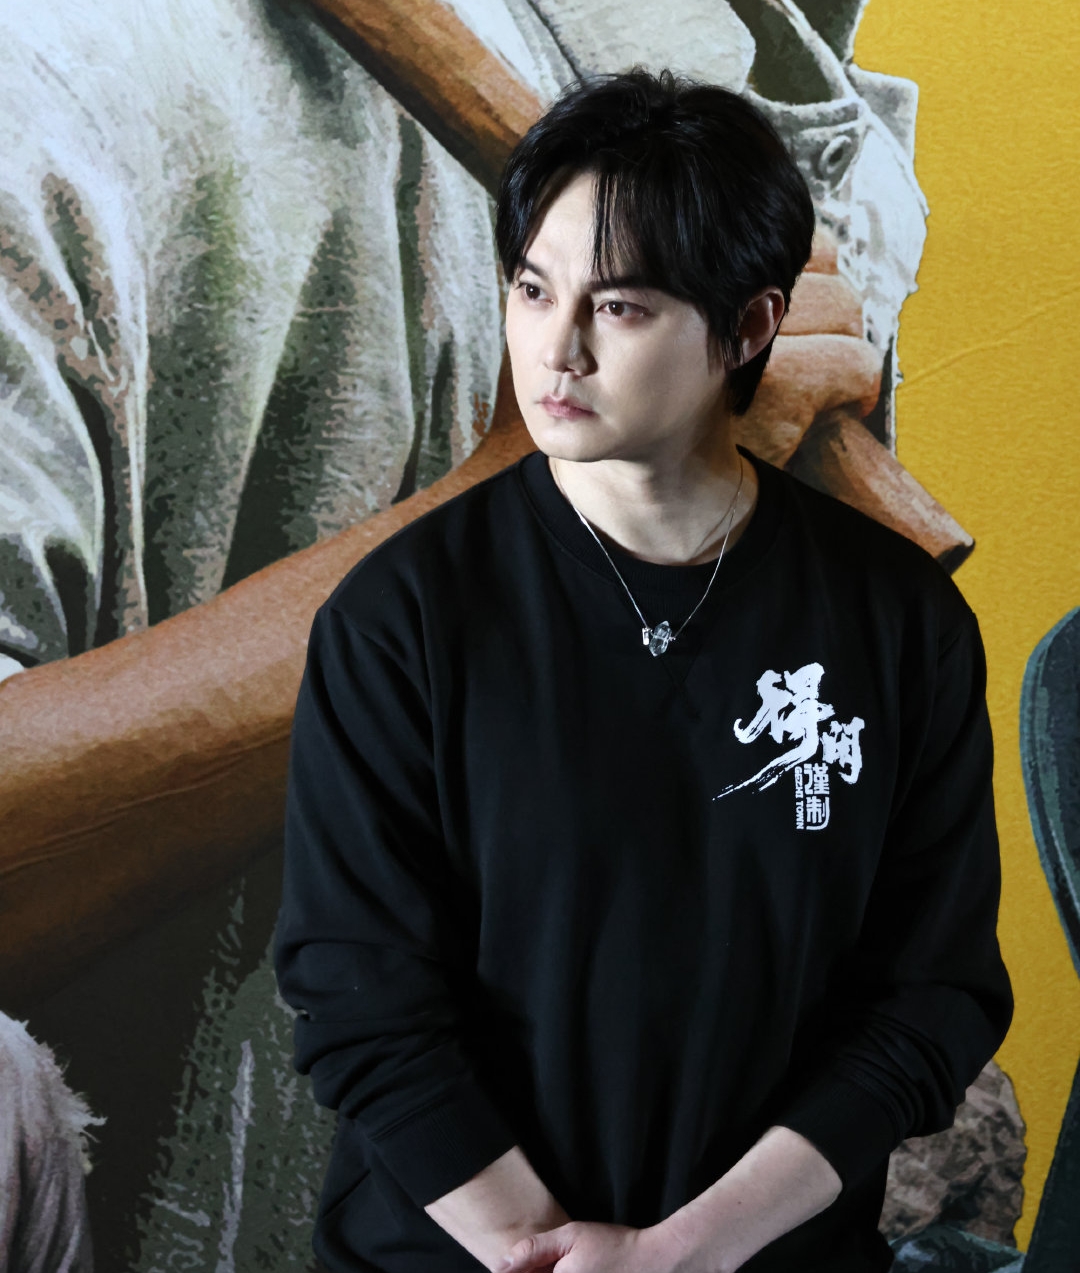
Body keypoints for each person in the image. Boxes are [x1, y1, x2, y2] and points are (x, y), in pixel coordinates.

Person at [275, 69, 1012, 1273]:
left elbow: (931, 999)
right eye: (532, 290)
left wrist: (684, 1253)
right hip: (453, 1252)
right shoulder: (401, 617)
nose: (555, 350)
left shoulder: (899, 623)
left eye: (618, 307)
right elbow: (359, 997)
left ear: (750, 327)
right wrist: (542, 1253)